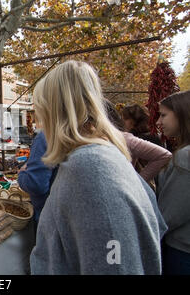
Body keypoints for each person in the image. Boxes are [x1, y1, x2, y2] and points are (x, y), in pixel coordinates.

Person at [29, 60, 167, 275]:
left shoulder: (90, 168)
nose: (38, 119)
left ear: (53, 111)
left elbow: (116, 265)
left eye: (39, 109)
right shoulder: (96, 156)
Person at [155, 90, 190, 275]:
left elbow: (169, 215)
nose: (158, 122)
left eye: (163, 115)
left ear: (183, 114)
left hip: (181, 252)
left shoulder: (185, 157)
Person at [104, 99, 172, 185]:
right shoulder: (151, 134)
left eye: (125, 119)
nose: (122, 122)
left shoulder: (133, 138)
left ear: (134, 121)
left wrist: (138, 182)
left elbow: (164, 156)